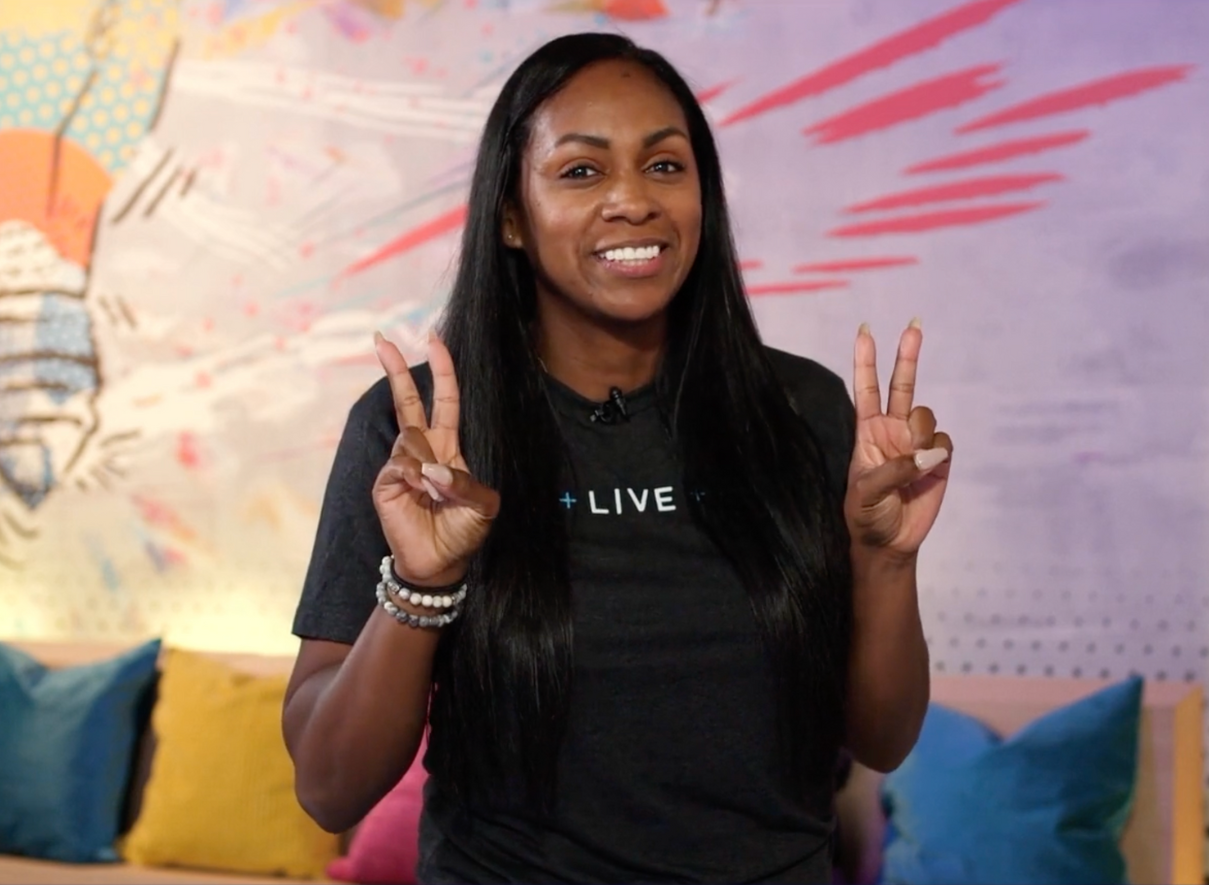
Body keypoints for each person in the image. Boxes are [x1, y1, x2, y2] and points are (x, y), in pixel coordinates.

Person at [284, 31, 952, 885]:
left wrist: (884, 560)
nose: (633, 200)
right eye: (581, 170)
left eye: (665, 166)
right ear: (511, 216)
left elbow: (881, 738)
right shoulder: (416, 436)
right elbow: (328, 786)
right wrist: (423, 585)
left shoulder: (804, 413)